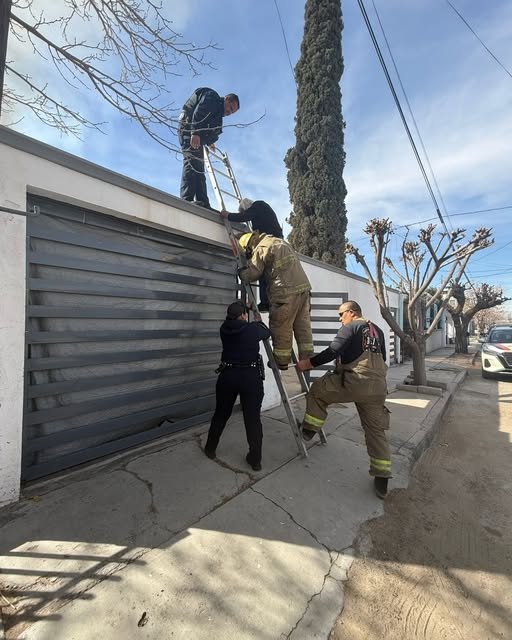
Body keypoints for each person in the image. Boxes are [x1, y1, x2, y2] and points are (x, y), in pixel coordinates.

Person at [296, 300, 392, 499]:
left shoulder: (351, 327)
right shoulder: (378, 331)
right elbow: (382, 358)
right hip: (377, 388)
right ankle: (382, 478)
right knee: (375, 431)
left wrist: (308, 364)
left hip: (355, 382)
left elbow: (333, 351)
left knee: (318, 390)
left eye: (341, 314)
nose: (340, 319)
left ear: (352, 312)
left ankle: (309, 430)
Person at [204, 300, 270, 471]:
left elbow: (236, 323)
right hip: (250, 377)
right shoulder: (252, 329)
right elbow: (266, 332)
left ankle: (210, 448)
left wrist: (245, 309)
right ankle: (255, 460)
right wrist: (257, 318)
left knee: (220, 414)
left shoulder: (223, 329)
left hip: (227, 376)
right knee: (252, 419)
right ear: (242, 315)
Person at [237, 231, 314, 370]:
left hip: (285, 292)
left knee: (281, 326)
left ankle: (281, 361)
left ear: (249, 246)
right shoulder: (280, 242)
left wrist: (242, 273)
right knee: (302, 326)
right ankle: (307, 359)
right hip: (304, 290)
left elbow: (253, 273)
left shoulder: (261, 248)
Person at [179, 88, 240, 208]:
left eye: (232, 112)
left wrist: (210, 142)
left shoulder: (218, 116)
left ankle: (203, 201)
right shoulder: (212, 98)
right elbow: (199, 112)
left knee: (199, 168)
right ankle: (186, 199)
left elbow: (213, 132)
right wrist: (195, 133)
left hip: (196, 134)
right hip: (187, 128)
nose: (229, 112)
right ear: (227, 99)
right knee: (191, 163)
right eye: (231, 108)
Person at [221, 199, 283, 312]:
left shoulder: (258, 205)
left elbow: (244, 216)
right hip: (275, 243)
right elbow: (255, 234)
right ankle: (267, 303)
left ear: (246, 208)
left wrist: (228, 215)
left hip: (271, 243)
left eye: (243, 211)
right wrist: (243, 235)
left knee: (262, 270)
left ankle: (266, 303)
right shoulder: (261, 215)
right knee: (266, 273)